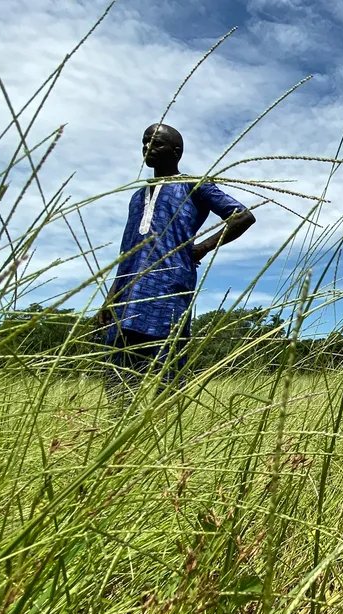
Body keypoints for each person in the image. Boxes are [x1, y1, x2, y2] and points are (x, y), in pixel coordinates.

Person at [99, 123, 255, 404]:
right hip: (126, 295)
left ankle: (165, 436)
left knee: (166, 371)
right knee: (118, 375)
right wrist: (112, 294)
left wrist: (202, 248)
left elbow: (242, 217)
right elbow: (128, 249)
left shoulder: (193, 184)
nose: (148, 148)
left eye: (156, 144)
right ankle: (118, 439)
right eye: (144, 142)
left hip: (168, 288)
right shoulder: (137, 196)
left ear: (176, 151)